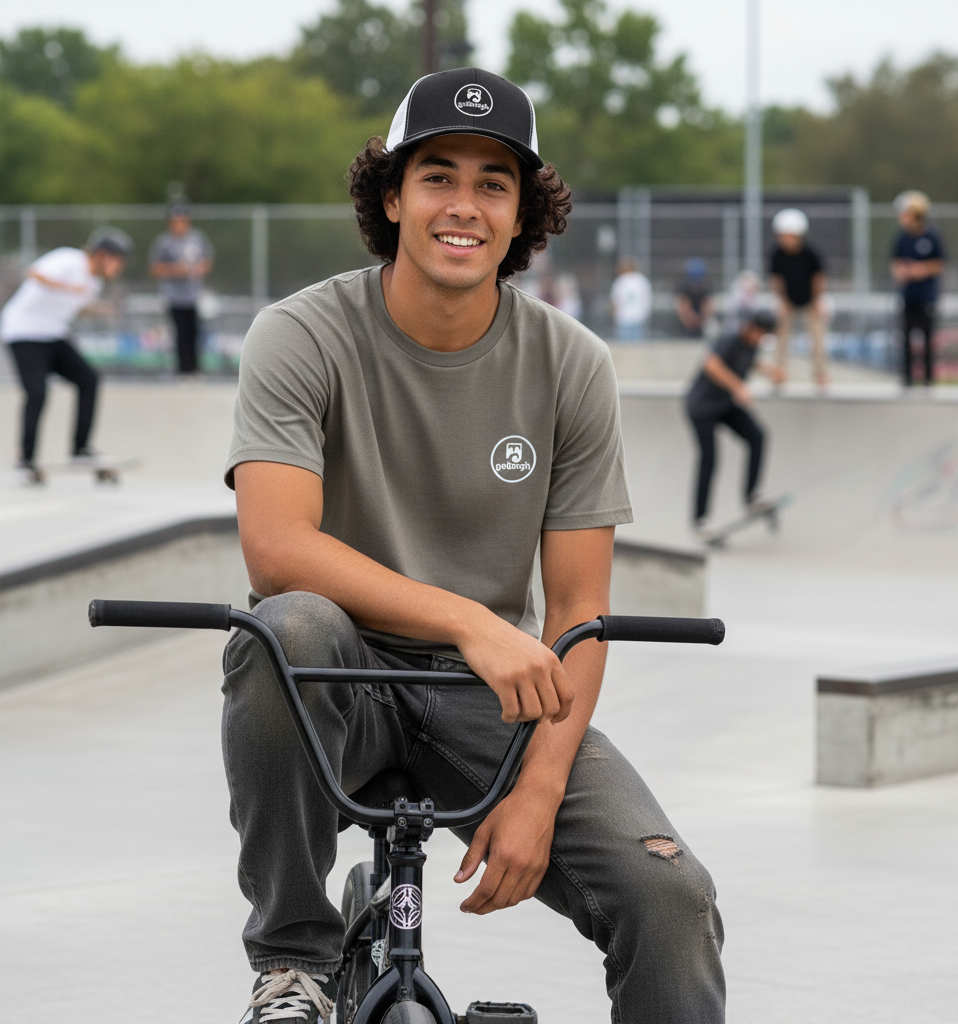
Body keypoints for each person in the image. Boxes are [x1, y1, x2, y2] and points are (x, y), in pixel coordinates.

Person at [223, 67, 725, 1024]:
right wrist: (469, 619)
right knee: (283, 627)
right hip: (340, 680)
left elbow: (580, 611)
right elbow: (277, 549)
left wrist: (538, 791)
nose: (465, 206)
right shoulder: (300, 334)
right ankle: (293, 961)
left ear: (523, 213)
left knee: (672, 898)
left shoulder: (569, 362)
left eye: (494, 184)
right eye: (438, 176)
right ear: (391, 196)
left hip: (493, 698)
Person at [0, 228, 132, 483]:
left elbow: (75, 309)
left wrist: (97, 311)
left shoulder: (95, 284)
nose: (119, 267)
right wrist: (69, 287)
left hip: (53, 334)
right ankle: (25, 460)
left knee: (89, 379)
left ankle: (79, 448)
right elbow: (35, 273)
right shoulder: (70, 260)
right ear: (103, 255)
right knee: (37, 392)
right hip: (23, 331)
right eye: (118, 260)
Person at [685, 309, 785, 534]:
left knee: (757, 436)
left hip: (725, 405)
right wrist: (738, 387)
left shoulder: (753, 345)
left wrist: (771, 371)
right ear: (750, 327)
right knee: (710, 459)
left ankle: (751, 496)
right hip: (702, 407)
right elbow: (712, 365)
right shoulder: (730, 339)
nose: (762, 338)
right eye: (761, 333)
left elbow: (752, 362)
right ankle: (700, 520)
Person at [149, 200, 214, 376]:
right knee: (180, 333)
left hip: (193, 295)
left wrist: (199, 268)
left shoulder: (197, 238)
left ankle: (195, 369)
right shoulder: (164, 242)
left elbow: (207, 260)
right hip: (174, 296)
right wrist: (177, 270)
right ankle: (183, 370)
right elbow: (155, 268)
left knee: (195, 332)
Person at [890, 190, 945, 386]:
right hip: (908, 295)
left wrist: (921, 269)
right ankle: (907, 379)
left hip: (926, 296)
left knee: (927, 336)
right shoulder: (902, 238)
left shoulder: (931, 237)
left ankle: (929, 379)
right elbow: (895, 263)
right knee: (905, 336)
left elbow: (940, 263)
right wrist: (902, 272)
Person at [768, 208, 828, 387]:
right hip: (788, 300)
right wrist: (782, 301)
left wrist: (817, 301)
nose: (785, 239)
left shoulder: (810, 254)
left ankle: (820, 375)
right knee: (781, 338)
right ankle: (779, 373)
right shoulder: (777, 254)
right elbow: (776, 280)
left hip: (810, 300)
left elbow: (818, 279)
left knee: (817, 338)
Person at [609, 258, 652, 341]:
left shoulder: (620, 281)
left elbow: (615, 300)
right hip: (638, 316)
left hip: (623, 317)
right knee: (637, 344)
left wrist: (613, 314)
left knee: (624, 345)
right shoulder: (642, 280)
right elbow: (647, 299)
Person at [675, 257, 713, 338]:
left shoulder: (706, 285)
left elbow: (708, 305)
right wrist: (691, 320)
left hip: (701, 321)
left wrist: (702, 320)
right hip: (684, 324)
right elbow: (682, 306)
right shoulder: (683, 285)